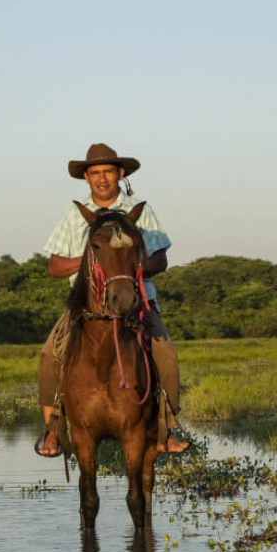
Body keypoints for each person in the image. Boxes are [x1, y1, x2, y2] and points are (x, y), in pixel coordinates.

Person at [36, 142, 188, 458]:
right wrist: (94, 263)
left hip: (137, 301)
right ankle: (53, 428)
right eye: (95, 173)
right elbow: (53, 266)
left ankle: (168, 425)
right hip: (86, 308)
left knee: (166, 353)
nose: (102, 179)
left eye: (108, 172)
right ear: (86, 178)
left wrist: (127, 267)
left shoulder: (140, 211)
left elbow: (161, 260)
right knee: (49, 354)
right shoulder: (74, 214)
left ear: (120, 174)